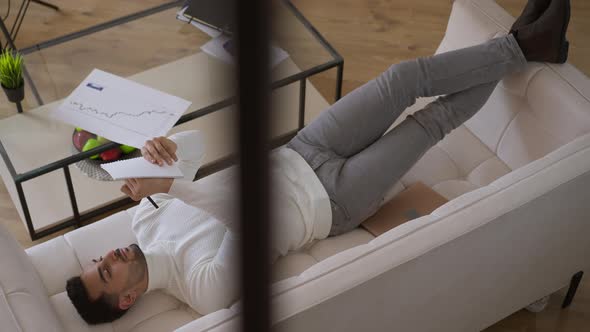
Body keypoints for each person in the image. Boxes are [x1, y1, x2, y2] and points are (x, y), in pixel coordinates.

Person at [66, 0, 570, 324]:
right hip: (333, 201)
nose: (108, 257)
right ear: (127, 300)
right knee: (430, 124)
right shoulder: (202, 291)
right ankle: (524, 44)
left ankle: (521, 46)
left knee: (401, 80)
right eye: (106, 273)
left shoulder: (144, 216)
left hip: (301, 150)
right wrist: (173, 186)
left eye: (98, 261)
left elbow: (199, 157)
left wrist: (168, 152)